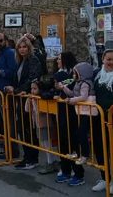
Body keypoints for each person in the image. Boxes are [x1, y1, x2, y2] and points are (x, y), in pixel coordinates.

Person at [5, 36, 42, 169]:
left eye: (24, 46)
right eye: (19, 47)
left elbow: (32, 78)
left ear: (29, 48)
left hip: (28, 99)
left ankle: (31, 159)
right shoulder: (20, 61)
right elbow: (18, 79)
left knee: (28, 129)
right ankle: (28, 157)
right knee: (23, 128)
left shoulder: (33, 60)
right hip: (20, 98)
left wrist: (17, 90)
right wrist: (12, 88)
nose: (22, 49)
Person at [53, 52, 86, 187]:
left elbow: (68, 86)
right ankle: (66, 168)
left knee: (73, 142)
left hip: (72, 112)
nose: (57, 61)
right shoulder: (59, 73)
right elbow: (55, 87)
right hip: (61, 111)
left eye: (60, 59)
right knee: (63, 141)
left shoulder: (73, 74)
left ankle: (78, 172)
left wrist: (61, 85)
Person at [58, 62, 96, 166]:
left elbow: (83, 97)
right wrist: (64, 88)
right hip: (81, 111)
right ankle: (79, 153)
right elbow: (73, 94)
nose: (74, 75)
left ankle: (84, 155)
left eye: (76, 73)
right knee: (78, 133)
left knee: (82, 133)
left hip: (87, 112)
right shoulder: (78, 82)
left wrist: (71, 100)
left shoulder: (85, 83)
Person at [91, 49, 113, 193]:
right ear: (103, 59)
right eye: (109, 59)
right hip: (98, 118)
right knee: (100, 147)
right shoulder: (96, 74)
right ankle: (105, 178)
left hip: (112, 119)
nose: (111, 62)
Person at [26, 79, 58, 174]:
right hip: (37, 123)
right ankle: (52, 161)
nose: (32, 91)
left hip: (44, 123)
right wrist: (29, 100)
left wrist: (35, 101)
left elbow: (39, 110)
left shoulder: (42, 98)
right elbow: (27, 110)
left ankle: (51, 162)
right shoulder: (33, 98)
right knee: (44, 144)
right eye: (31, 88)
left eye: (35, 89)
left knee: (48, 144)